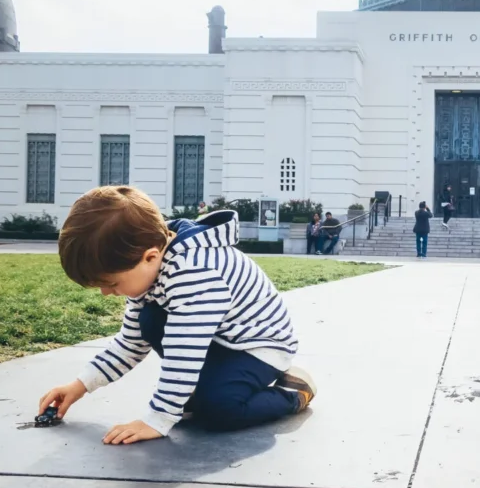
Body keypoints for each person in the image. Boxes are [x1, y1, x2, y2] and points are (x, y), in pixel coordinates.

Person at [38, 185, 317, 445]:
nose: (106, 293)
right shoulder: (152, 265)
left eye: (111, 283)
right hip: (219, 339)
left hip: (258, 347)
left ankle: (292, 394)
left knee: (219, 410)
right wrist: (80, 385)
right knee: (149, 320)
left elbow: (185, 350)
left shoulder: (193, 272)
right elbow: (130, 344)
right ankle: (198, 390)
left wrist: (158, 419)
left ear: (149, 257)